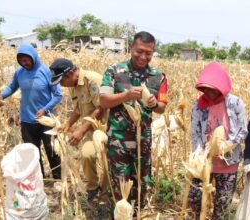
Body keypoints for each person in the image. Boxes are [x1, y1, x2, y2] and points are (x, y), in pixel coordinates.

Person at [99, 31, 168, 213]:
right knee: (120, 184)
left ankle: (137, 214)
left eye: (148, 53)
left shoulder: (159, 76)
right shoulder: (113, 70)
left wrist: (154, 104)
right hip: (118, 141)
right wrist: (126, 95)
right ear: (131, 49)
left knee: (141, 183)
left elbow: (162, 107)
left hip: (143, 141)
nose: (143, 56)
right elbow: (104, 100)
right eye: (139, 51)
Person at [188, 62, 248, 219]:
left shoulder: (235, 104)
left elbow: (242, 131)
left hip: (228, 163)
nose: (208, 92)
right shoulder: (198, 105)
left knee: (222, 204)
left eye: (212, 88)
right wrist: (201, 153)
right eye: (205, 88)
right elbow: (195, 133)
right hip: (203, 163)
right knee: (195, 199)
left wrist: (223, 147)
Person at [0, 43, 62, 179]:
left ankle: (57, 177)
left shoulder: (46, 72)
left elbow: (58, 95)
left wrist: (45, 109)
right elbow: (12, 87)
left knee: (52, 150)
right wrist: (1, 95)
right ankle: (39, 179)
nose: (24, 63)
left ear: (34, 57)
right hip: (27, 120)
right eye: (21, 61)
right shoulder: (19, 73)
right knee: (32, 152)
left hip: (47, 120)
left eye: (26, 60)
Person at [49, 58, 108, 205]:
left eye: (61, 81)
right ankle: (93, 187)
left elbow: (100, 108)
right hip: (90, 130)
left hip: (106, 129)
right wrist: (67, 124)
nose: (61, 85)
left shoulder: (93, 80)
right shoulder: (73, 85)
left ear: (70, 74)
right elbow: (78, 109)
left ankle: (105, 196)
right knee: (86, 155)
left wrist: (81, 131)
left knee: (108, 163)